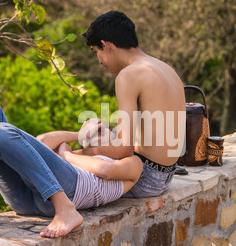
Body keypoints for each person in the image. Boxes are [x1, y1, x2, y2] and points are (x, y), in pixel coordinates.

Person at [0, 97, 143, 238]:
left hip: (69, 193)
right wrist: (79, 134)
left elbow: (104, 171)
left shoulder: (132, 162)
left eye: (102, 130)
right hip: (25, 199)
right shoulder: (77, 155)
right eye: (93, 133)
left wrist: (65, 155)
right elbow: (40, 141)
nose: (96, 133)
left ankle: (64, 209)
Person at [77, 10, 186, 198]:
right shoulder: (164, 67)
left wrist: (80, 153)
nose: (99, 61)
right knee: (96, 131)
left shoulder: (128, 75)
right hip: (166, 175)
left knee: (71, 163)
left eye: (97, 52)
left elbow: (123, 148)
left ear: (106, 45)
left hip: (145, 179)